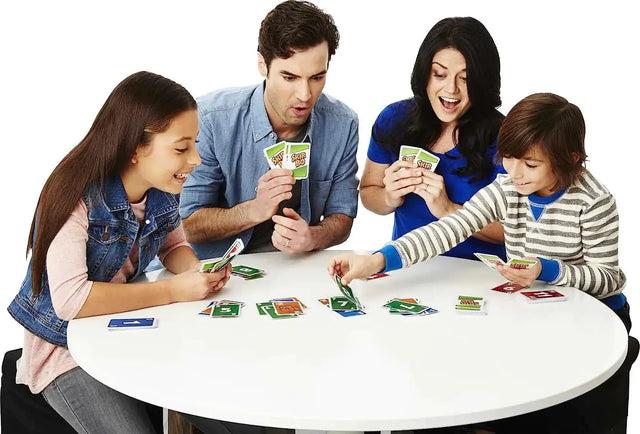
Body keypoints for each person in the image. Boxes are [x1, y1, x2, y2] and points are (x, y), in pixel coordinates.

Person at [330, 93, 633, 433]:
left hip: (598, 320)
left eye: (531, 165)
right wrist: (377, 261)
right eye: (509, 158)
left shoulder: (594, 201)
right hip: (542, 314)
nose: (515, 173)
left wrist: (545, 270)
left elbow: (607, 278)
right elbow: (448, 229)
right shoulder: (508, 186)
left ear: (570, 159)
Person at [6, 71, 232, 434]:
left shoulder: (162, 190)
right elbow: (70, 301)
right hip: (63, 353)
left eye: (195, 144)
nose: (196, 160)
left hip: (123, 335)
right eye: (181, 148)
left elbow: (173, 245)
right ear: (135, 148)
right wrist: (174, 291)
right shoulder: (74, 195)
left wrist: (193, 271)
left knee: (216, 402)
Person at [180, 0, 359, 260]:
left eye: (317, 77)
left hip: (295, 269)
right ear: (263, 65)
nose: (305, 95)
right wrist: (254, 210)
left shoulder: (343, 124)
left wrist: (313, 237)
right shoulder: (209, 119)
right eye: (290, 77)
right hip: (217, 270)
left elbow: (342, 216)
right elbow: (189, 225)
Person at [360, 17, 506, 261]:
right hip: (409, 269)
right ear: (425, 73)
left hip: (479, 278)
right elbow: (368, 192)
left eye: (465, 78)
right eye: (439, 74)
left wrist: (449, 210)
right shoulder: (394, 119)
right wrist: (389, 197)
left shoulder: (505, 137)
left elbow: (515, 230)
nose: (451, 90)